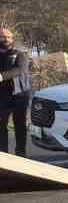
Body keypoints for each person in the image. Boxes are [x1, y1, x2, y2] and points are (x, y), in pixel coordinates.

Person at [0, 28, 32, 158]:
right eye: (3, 37)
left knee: (19, 124)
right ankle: (3, 153)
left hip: (20, 94)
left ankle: (21, 152)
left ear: (12, 39)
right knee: (1, 123)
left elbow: (20, 70)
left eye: (8, 37)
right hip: (2, 94)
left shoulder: (20, 53)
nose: (6, 39)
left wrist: (1, 76)